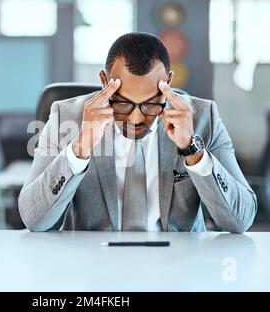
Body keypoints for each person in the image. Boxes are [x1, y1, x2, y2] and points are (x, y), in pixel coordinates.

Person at [18, 32, 257, 233]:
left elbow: (240, 220)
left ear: (168, 82)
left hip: (180, 266)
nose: (136, 118)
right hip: (92, 265)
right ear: (104, 81)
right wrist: (78, 149)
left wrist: (193, 152)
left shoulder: (204, 117)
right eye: (122, 103)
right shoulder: (66, 116)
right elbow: (34, 220)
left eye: (151, 103)